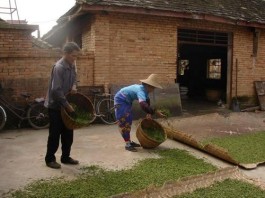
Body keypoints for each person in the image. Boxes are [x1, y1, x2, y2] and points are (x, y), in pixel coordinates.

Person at [44, 42, 81, 169]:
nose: (74, 59)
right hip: (55, 105)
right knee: (55, 134)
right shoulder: (59, 67)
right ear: (65, 54)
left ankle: (65, 157)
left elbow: (75, 78)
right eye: (73, 56)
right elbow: (56, 90)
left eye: (76, 56)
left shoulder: (72, 65)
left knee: (68, 132)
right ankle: (50, 159)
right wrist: (67, 105)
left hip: (66, 104)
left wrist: (74, 86)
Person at [114, 74, 166, 152]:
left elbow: (147, 101)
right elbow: (142, 104)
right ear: (149, 86)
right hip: (121, 100)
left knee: (129, 119)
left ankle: (129, 141)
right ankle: (127, 144)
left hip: (127, 101)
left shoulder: (145, 91)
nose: (154, 89)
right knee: (125, 121)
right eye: (154, 87)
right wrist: (154, 111)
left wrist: (149, 114)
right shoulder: (141, 90)